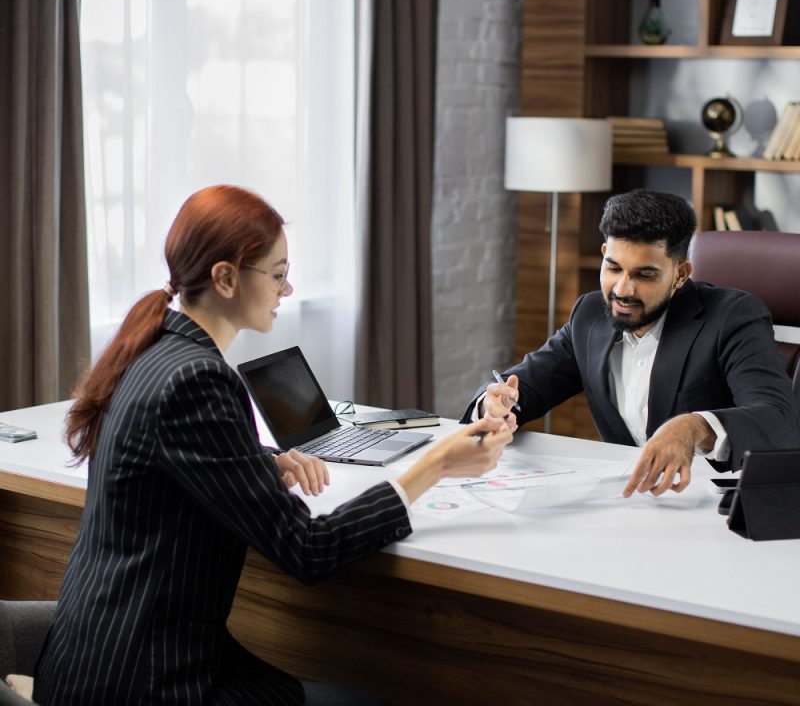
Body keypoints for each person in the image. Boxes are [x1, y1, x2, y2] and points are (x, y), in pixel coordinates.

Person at [34, 185, 513, 706]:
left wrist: (256, 458)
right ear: (225, 277)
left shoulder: (155, 347)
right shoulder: (199, 380)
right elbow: (308, 551)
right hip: (143, 681)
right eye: (278, 274)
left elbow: (165, 454)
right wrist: (435, 464)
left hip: (95, 656)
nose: (288, 290)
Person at [462, 189, 800, 498]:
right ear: (604, 254)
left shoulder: (732, 317)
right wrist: (493, 405)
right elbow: (523, 385)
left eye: (644, 275)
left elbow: (778, 420)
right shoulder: (589, 315)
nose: (622, 289)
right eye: (614, 268)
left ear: (680, 275)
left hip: (718, 507)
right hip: (628, 503)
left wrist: (694, 426)